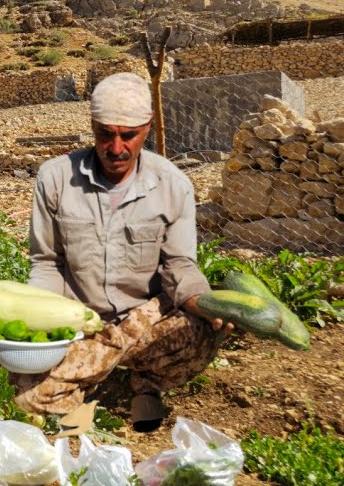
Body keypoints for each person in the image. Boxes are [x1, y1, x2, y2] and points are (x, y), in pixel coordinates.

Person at [15, 72, 232, 432]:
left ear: (147, 127)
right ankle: (98, 373)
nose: (116, 148)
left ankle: (138, 381)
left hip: (144, 320)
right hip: (81, 322)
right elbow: (47, 262)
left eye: (128, 135)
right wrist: (42, 323)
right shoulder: (55, 178)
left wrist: (202, 302)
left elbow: (179, 264)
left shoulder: (172, 184)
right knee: (28, 397)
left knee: (198, 334)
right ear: (92, 125)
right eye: (105, 134)